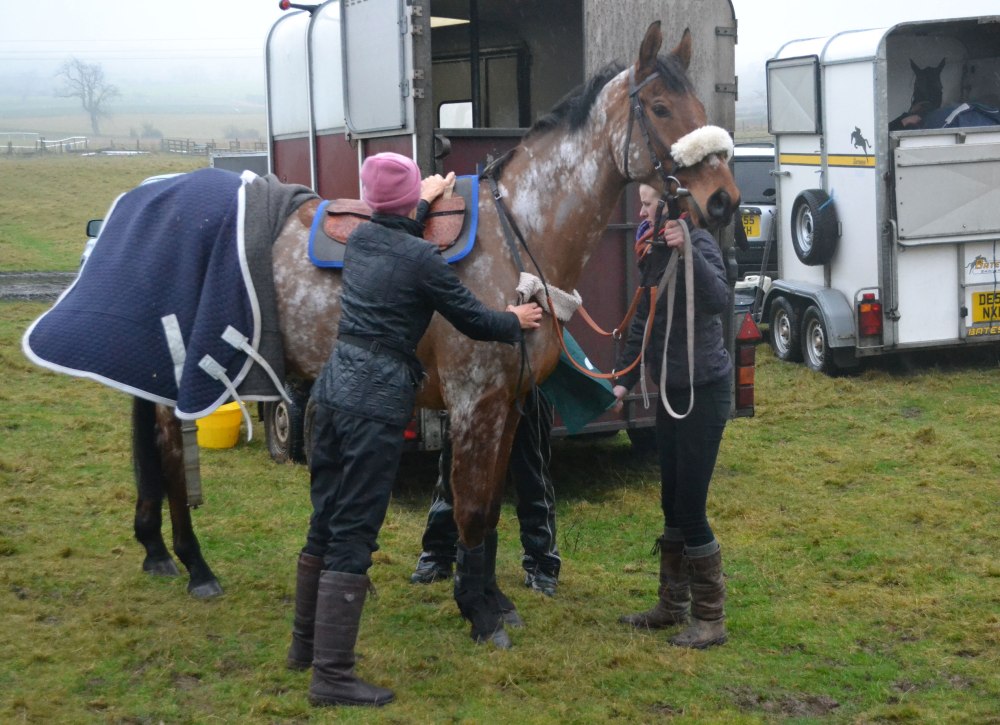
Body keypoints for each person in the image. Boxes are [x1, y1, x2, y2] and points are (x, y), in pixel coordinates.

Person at [287, 152, 542, 708]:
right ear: (409, 206)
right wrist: (515, 321)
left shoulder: (359, 243)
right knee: (355, 533)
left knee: (324, 522)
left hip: (329, 396)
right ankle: (332, 678)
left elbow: (393, 221)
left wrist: (420, 198)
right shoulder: (424, 259)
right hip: (374, 404)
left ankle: (303, 647)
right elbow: (472, 319)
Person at [612, 189, 732, 650]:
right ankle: (671, 606)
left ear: (671, 208)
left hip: (705, 392)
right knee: (670, 503)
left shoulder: (700, 245)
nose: (640, 212)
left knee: (690, 508)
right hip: (671, 391)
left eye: (647, 204)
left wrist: (688, 252)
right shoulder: (655, 253)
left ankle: (710, 618)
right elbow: (643, 315)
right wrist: (623, 378)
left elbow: (719, 299)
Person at [410, 385, 560, 597]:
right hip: (473, 383)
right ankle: (437, 554)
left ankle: (542, 564)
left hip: (529, 382)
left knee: (532, 476)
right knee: (454, 470)